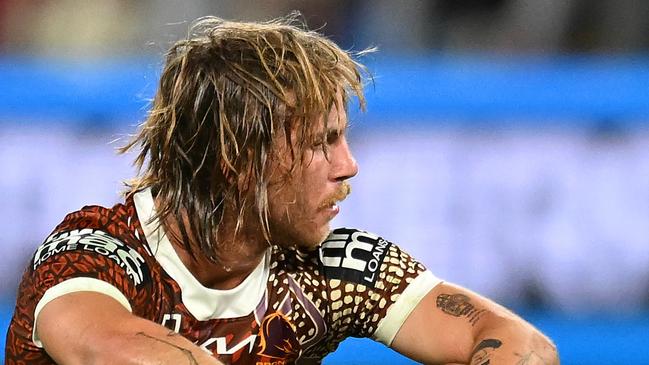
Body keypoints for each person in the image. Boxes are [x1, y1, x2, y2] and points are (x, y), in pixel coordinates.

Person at [5, 14, 558, 365]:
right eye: (323, 143)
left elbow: (520, 342)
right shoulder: (96, 249)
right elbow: (110, 349)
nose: (349, 166)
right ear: (238, 158)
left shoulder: (332, 267)